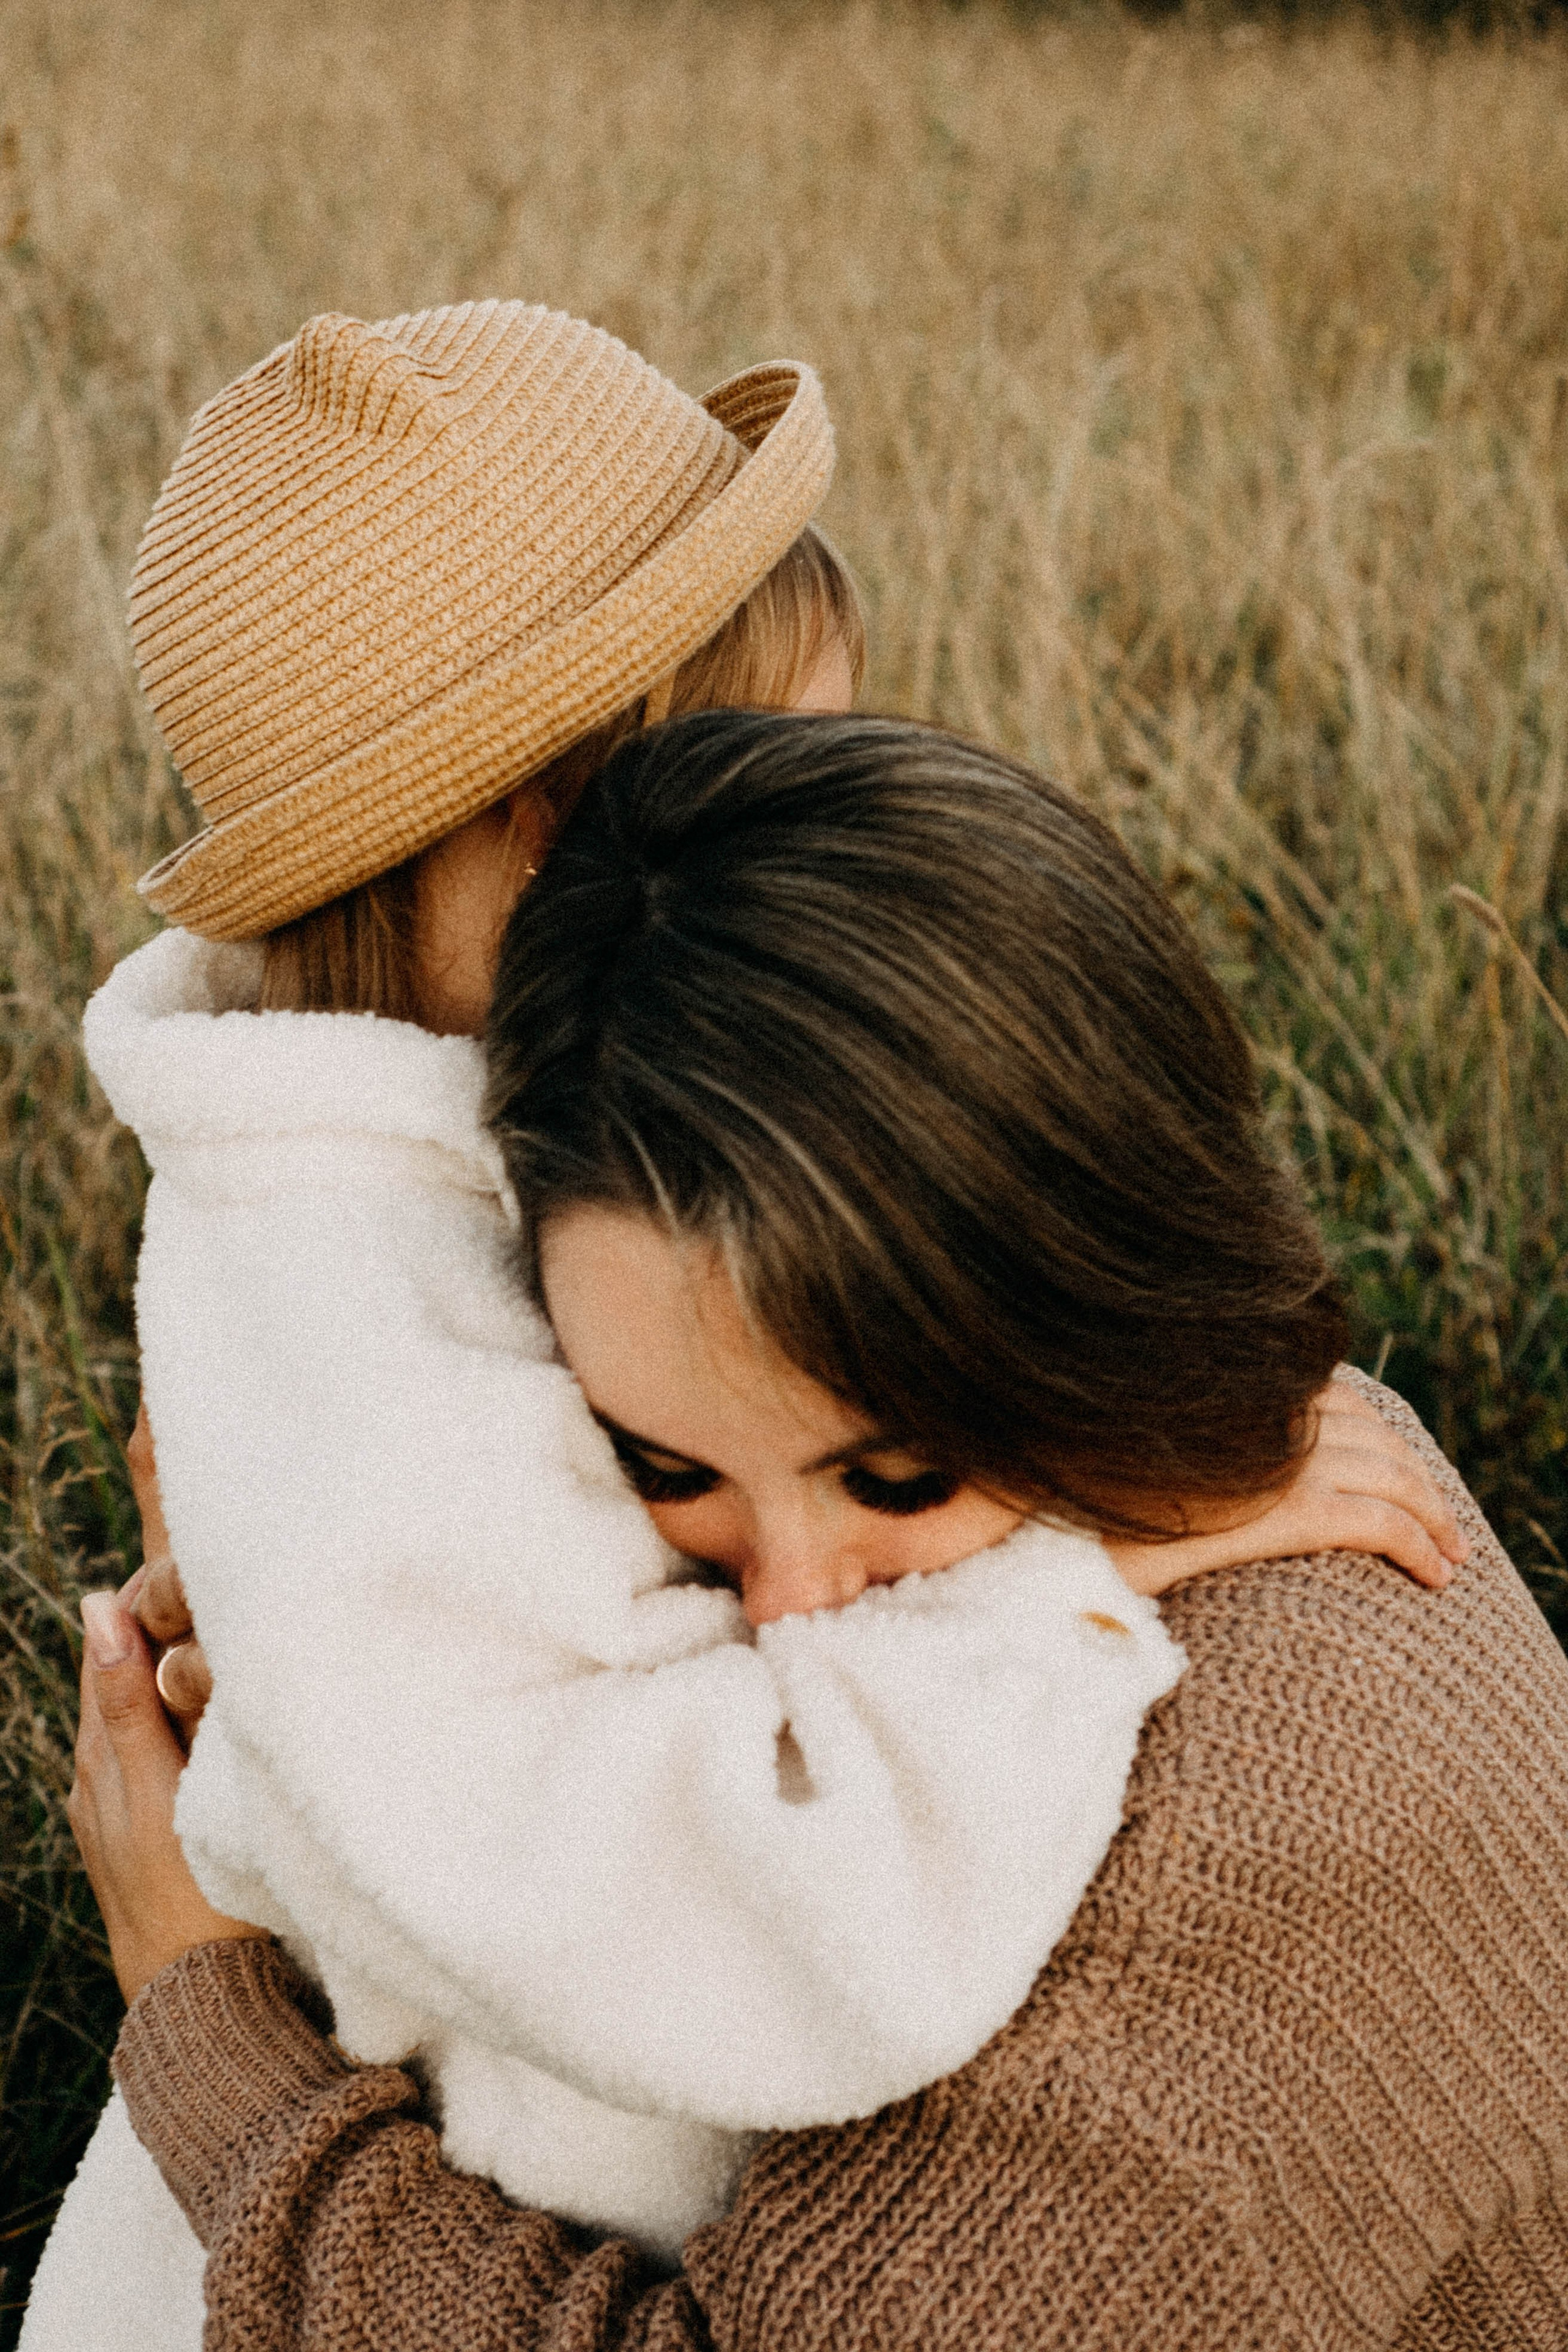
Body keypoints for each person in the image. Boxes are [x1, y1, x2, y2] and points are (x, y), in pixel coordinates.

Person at [30, 301, 1444, 2351]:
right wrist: (1079, 1551)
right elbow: (732, 1911)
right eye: (772, 783)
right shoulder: (351, 1343)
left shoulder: (446, 1146)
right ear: (576, 836)